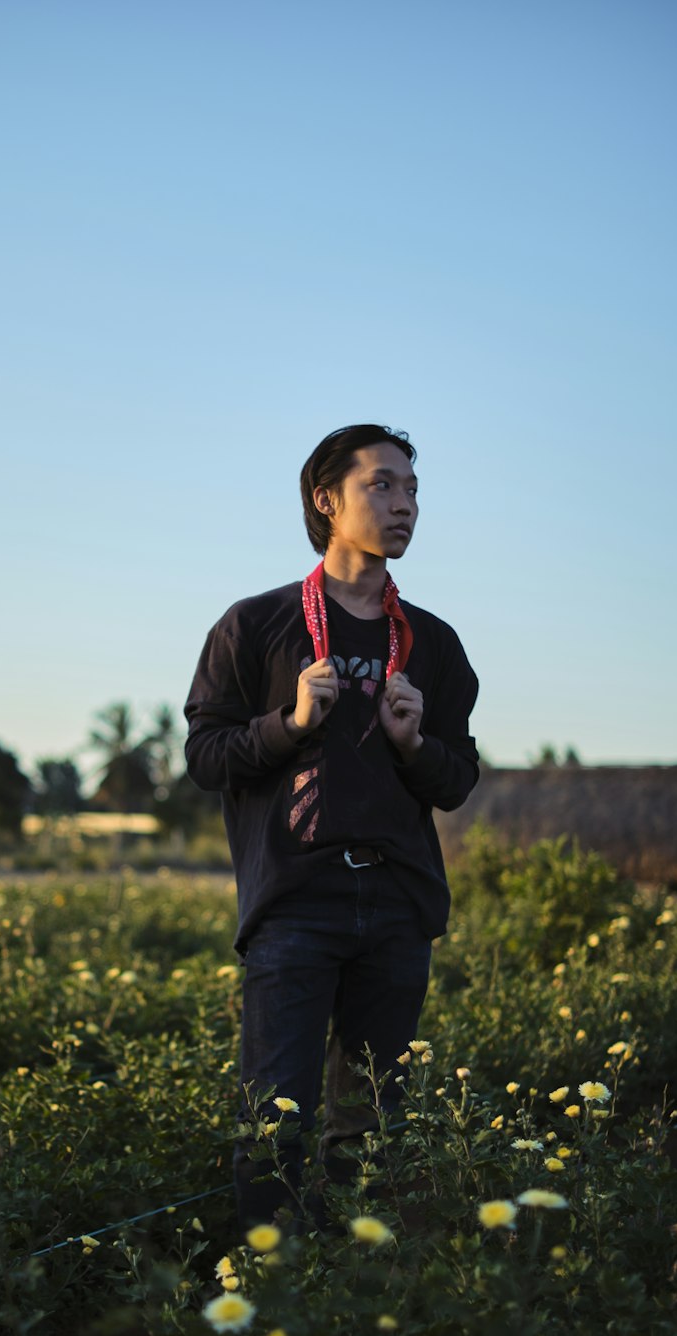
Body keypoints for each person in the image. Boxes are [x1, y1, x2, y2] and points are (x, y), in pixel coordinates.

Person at [183, 423, 480, 1233]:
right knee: (275, 1119)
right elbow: (206, 757)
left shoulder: (436, 645)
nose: (404, 505)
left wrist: (414, 744)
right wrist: (290, 721)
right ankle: (270, 1296)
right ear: (327, 498)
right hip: (296, 903)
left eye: (412, 490)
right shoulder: (255, 626)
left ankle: (357, 1297)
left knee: (373, 1128)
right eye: (382, 484)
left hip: (397, 902)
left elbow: (458, 781)